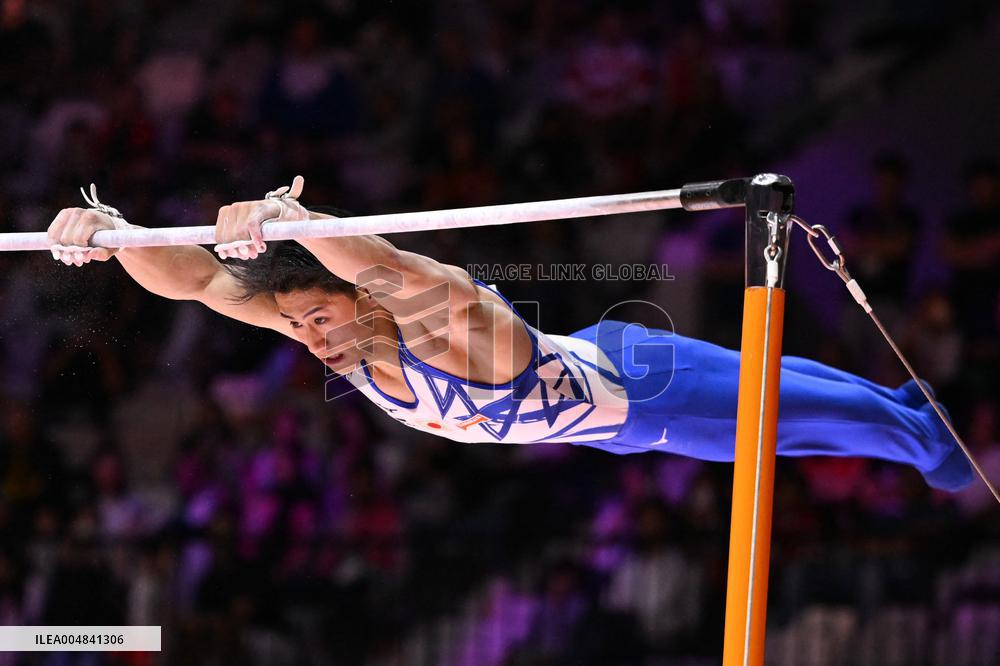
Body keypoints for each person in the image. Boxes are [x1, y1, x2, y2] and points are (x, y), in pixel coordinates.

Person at [46, 177, 973, 492]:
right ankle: (910, 420)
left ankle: (931, 429)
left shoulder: (437, 323)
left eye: (317, 315)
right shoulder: (329, 323)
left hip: (641, 378)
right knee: (780, 444)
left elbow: (394, 267)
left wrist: (295, 218)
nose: (306, 339)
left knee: (862, 432)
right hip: (614, 426)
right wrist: (114, 234)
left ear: (363, 299)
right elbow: (202, 278)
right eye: (295, 322)